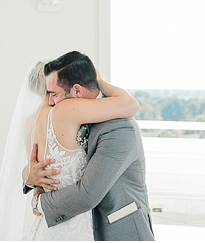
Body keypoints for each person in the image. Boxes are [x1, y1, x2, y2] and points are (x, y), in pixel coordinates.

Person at [0, 55, 140, 240]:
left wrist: (33, 191)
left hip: (47, 222)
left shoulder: (30, 123)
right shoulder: (67, 110)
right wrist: (99, 80)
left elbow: (37, 178)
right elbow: (130, 104)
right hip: (74, 221)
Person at [26, 51, 155, 241]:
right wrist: (31, 177)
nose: (51, 102)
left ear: (77, 91)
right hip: (79, 226)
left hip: (117, 230)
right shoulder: (75, 117)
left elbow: (87, 194)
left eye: (54, 94)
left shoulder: (119, 127)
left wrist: (39, 202)